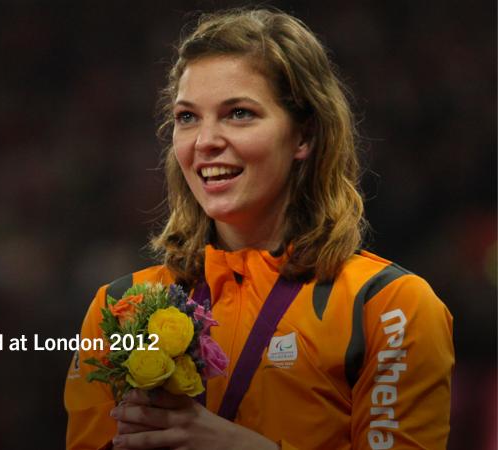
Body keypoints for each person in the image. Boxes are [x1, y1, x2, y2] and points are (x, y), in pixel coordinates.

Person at [64, 8, 453, 450]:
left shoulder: (390, 308)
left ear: (304, 136)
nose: (205, 140)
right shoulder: (119, 307)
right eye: (188, 117)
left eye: (239, 113)